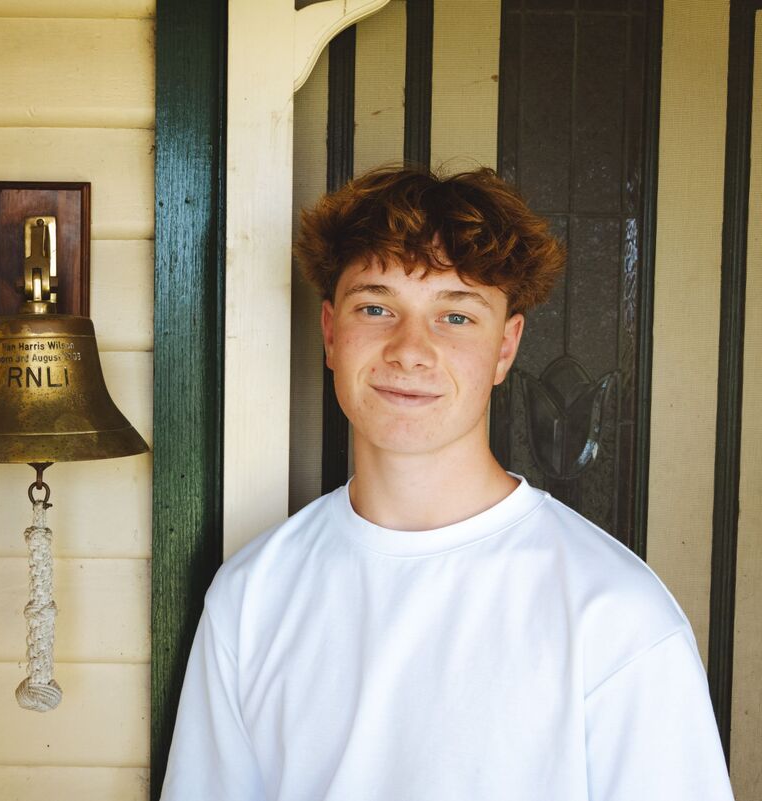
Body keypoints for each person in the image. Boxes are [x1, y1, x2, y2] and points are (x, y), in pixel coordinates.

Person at [159, 166, 735, 801]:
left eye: (456, 318)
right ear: (331, 333)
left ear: (506, 348)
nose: (410, 350)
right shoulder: (250, 596)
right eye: (376, 308)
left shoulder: (616, 613)